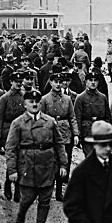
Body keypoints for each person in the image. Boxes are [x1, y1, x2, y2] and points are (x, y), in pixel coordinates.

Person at [6, 90, 68, 223]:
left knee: (45, 200)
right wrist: (12, 170)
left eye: (37, 102)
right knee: (27, 198)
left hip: (47, 165)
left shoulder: (50, 121)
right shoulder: (18, 123)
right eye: (30, 101)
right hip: (28, 166)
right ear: (25, 104)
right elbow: (11, 148)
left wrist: (63, 164)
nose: (34, 104)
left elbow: (59, 143)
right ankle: (21, 217)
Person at [39, 72, 79, 201]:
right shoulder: (45, 99)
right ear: (50, 83)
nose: (57, 84)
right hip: (50, 132)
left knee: (64, 161)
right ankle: (47, 189)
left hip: (65, 132)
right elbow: (40, 118)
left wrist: (76, 134)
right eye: (55, 82)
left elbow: (72, 117)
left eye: (59, 82)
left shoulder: (67, 99)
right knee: (50, 161)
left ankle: (59, 191)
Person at [0, 71, 25, 202]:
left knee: (21, 160)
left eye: (20, 82)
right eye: (16, 82)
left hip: (22, 132)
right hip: (8, 132)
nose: (18, 84)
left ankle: (17, 188)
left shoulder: (25, 96)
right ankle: (8, 185)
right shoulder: (4, 98)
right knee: (11, 160)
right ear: (11, 82)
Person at [74, 72, 111, 157]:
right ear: (86, 82)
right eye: (90, 80)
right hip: (87, 132)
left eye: (95, 80)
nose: (93, 82)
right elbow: (77, 118)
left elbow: (107, 116)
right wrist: (78, 135)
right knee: (90, 158)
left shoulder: (103, 97)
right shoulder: (80, 98)